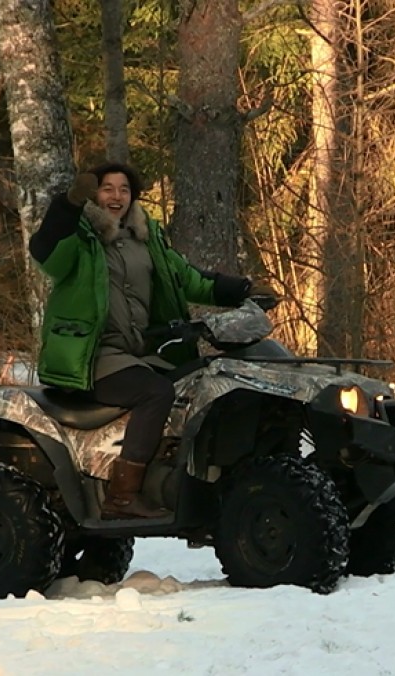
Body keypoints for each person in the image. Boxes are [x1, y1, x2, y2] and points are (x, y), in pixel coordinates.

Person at [28, 162, 275, 519]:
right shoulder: (79, 239)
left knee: (200, 380)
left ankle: (184, 479)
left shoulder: (147, 238)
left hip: (138, 353)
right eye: (107, 188)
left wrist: (246, 289)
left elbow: (190, 279)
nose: (116, 196)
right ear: (93, 195)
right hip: (93, 355)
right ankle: (122, 495)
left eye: (124, 189)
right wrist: (67, 204)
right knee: (155, 392)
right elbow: (45, 252)